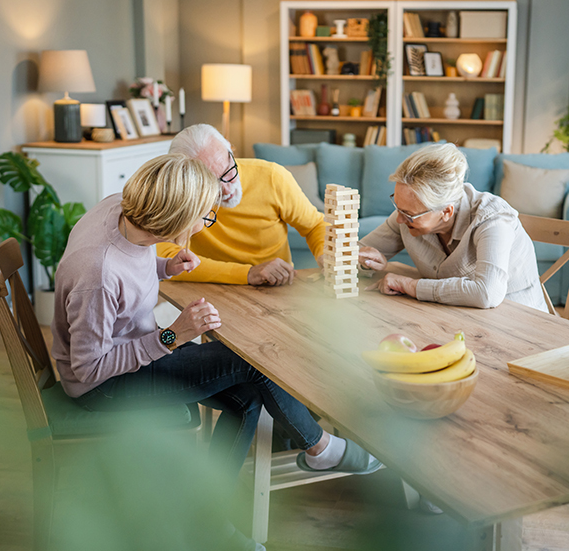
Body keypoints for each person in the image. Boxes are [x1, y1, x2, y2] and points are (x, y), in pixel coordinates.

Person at [51, 154, 380, 550]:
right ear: (171, 221)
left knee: (247, 399)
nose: (206, 224)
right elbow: (89, 369)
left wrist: (164, 268)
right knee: (254, 364)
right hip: (104, 386)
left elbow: (131, 265)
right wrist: (173, 335)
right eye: (204, 218)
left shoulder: (120, 209)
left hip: (128, 352)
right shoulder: (97, 274)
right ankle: (320, 448)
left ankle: (205, 520)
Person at [358, 143, 547, 312]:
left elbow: (487, 293)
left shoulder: (492, 219)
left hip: (522, 325)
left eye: (408, 214)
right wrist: (361, 261)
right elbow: (351, 255)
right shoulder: (407, 215)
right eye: (397, 206)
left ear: (446, 212)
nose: (399, 219)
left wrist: (410, 285)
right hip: (454, 317)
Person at [156, 124, 326, 286]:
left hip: (275, 285)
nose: (227, 189)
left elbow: (314, 226)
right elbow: (164, 260)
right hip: (210, 288)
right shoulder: (180, 195)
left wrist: (324, 253)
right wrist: (247, 273)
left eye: (228, 171)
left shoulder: (272, 176)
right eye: (211, 183)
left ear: (230, 150)